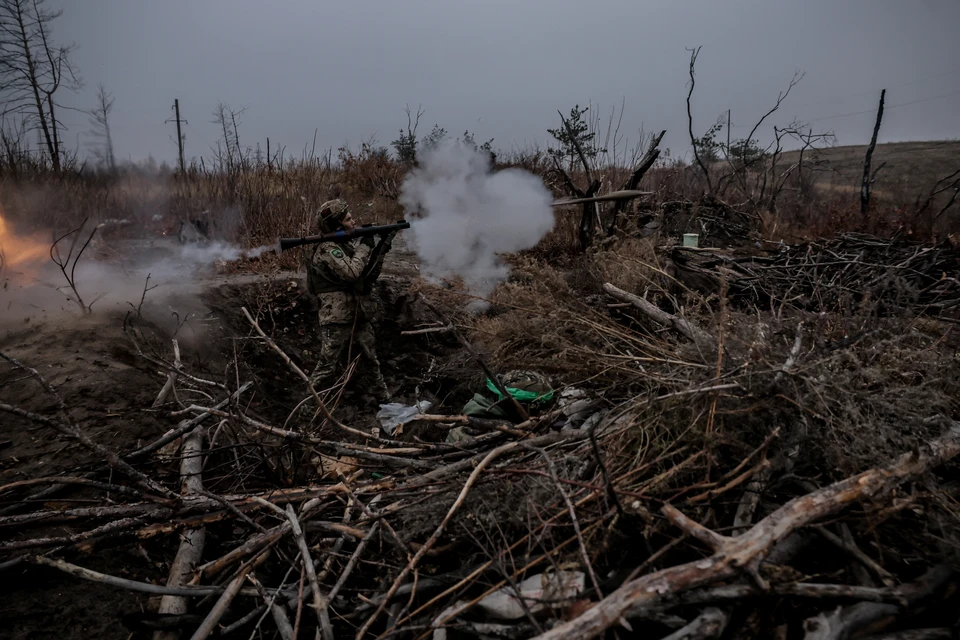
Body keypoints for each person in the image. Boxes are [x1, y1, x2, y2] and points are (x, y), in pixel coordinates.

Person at [301, 198, 396, 412]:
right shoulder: (327, 248)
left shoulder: (342, 245)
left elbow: (366, 277)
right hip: (336, 318)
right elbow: (352, 273)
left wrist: (379, 246)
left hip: (356, 313)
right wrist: (365, 246)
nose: (354, 222)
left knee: (372, 361)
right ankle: (306, 407)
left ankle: (385, 402)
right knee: (327, 366)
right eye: (348, 219)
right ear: (337, 225)